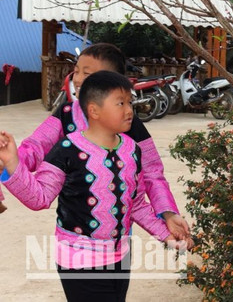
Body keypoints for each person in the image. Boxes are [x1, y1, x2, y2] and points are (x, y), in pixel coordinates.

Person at [0, 71, 190, 301]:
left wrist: (166, 234)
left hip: (120, 256)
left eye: (130, 102)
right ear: (94, 110)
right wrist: (12, 163)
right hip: (79, 260)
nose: (129, 110)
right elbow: (39, 198)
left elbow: (135, 204)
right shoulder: (67, 150)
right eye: (120, 103)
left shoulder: (131, 149)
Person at [0, 43, 190, 240]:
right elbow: (36, 146)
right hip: (74, 237)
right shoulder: (66, 114)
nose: (78, 79)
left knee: (118, 267)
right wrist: (9, 161)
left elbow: (152, 174)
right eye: (76, 71)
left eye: (88, 73)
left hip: (118, 234)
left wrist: (168, 213)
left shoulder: (130, 126)